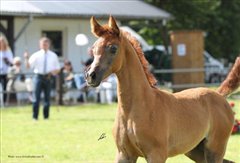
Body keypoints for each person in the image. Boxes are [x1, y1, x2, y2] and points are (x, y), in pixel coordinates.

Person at [24, 37, 60, 120]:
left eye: (46, 43)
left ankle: (46, 117)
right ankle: (35, 117)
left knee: (47, 98)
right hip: (38, 77)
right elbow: (28, 66)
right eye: (43, 43)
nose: (45, 45)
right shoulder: (36, 55)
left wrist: (52, 72)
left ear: (49, 44)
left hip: (48, 77)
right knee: (36, 98)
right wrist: (26, 58)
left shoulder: (53, 55)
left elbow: (57, 68)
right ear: (40, 45)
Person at [0, 35, 13, 102]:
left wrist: (6, 60)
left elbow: (11, 64)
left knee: (4, 88)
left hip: (5, 73)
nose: (1, 43)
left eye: (2, 41)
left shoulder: (8, 51)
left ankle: (4, 103)